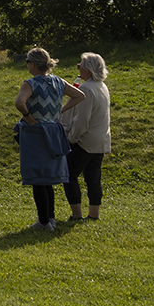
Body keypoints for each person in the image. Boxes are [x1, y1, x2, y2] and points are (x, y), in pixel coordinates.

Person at [15, 47, 85, 231]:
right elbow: (79, 95)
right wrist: (61, 110)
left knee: (38, 179)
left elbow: (19, 102)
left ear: (32, 64)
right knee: (48, 178)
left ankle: (44, 221)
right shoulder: (58, 81)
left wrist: (28, 117)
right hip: (54, 132)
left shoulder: (30, 83)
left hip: (36, 133)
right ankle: (51, 218)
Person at [62, 53, 111, 221]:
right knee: (93, 177)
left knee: (68, 174)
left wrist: (72, 138)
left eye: (80, 65)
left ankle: (77, 214)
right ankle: (94, 214)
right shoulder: (102, 86)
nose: (79, 68)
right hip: (100, 141)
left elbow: (82, 120)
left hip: (85, 141)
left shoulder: (86, 89)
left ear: (88, 69)